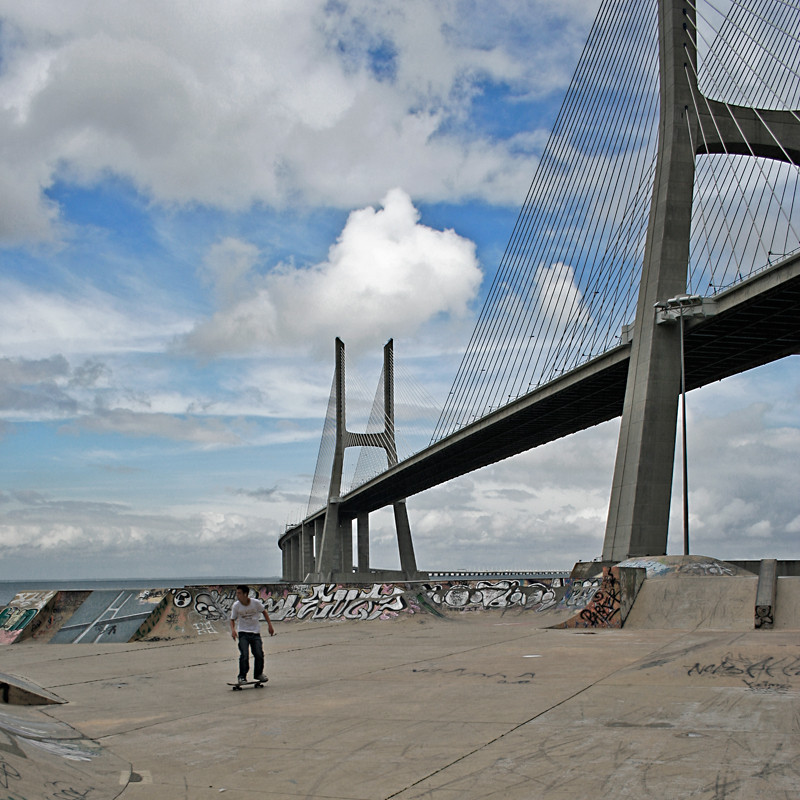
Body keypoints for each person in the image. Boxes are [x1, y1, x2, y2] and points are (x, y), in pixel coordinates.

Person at [229, 585, 275, 684]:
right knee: (244, 655)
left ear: (245, 594)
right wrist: (233, 630)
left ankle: (258, 674)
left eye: (239, 593)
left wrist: (270, 626)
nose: (237, 595)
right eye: (237, 593)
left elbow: (264, 612)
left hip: (255, 633)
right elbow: (232, 619)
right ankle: (242, 676)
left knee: (259, 654)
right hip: (243, 633)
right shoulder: (236, 605)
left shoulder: (255, 603)